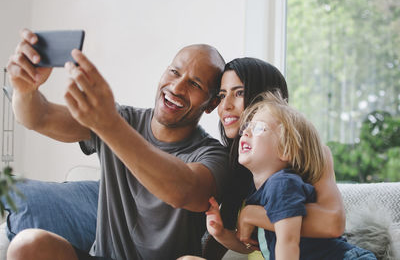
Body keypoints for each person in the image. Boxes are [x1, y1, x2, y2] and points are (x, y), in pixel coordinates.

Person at [6, 28, 230, 260]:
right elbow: (38, 117)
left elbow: (182, 191)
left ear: (211, 104)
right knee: (27, 245)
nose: (177, 87)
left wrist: (109, 126)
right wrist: (25, 88)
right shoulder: (119, 119)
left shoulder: (214, 155)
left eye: (194, 84)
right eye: (174, 72)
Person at [202, 58, 345, 260]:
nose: (225, 105)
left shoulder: (306, 154)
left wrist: (252, 214)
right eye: (221, 95)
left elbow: (332, 223)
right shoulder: (237, 161)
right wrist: (220, 233)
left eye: (239, 92)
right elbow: (254, 244)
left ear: (266, 97)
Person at [206, 91, 376, 259]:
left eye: (258, 128)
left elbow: (288, 242)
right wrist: (221, 233)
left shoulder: (282, 185)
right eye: (247, 127)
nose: (246, 132)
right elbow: (253, 245)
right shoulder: (258, 193)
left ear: (285, 150)